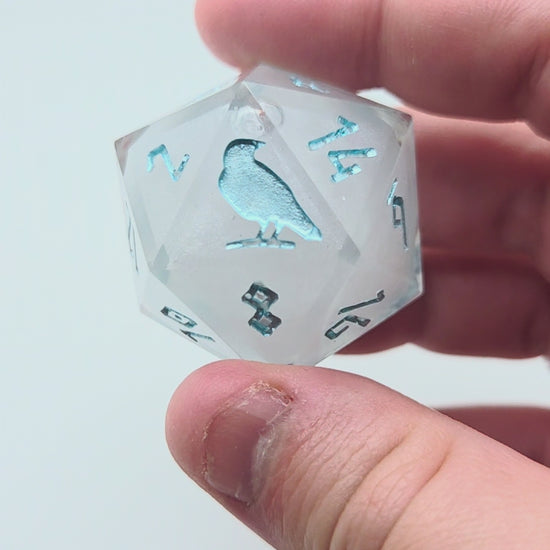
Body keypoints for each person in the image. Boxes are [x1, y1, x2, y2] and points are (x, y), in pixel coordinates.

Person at [166, 1, 550, 547]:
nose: (252, 153)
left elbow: (285, 204)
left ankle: (275, 238)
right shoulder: (229, 179)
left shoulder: (256, 176)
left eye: (252, 149)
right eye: (247, 148)